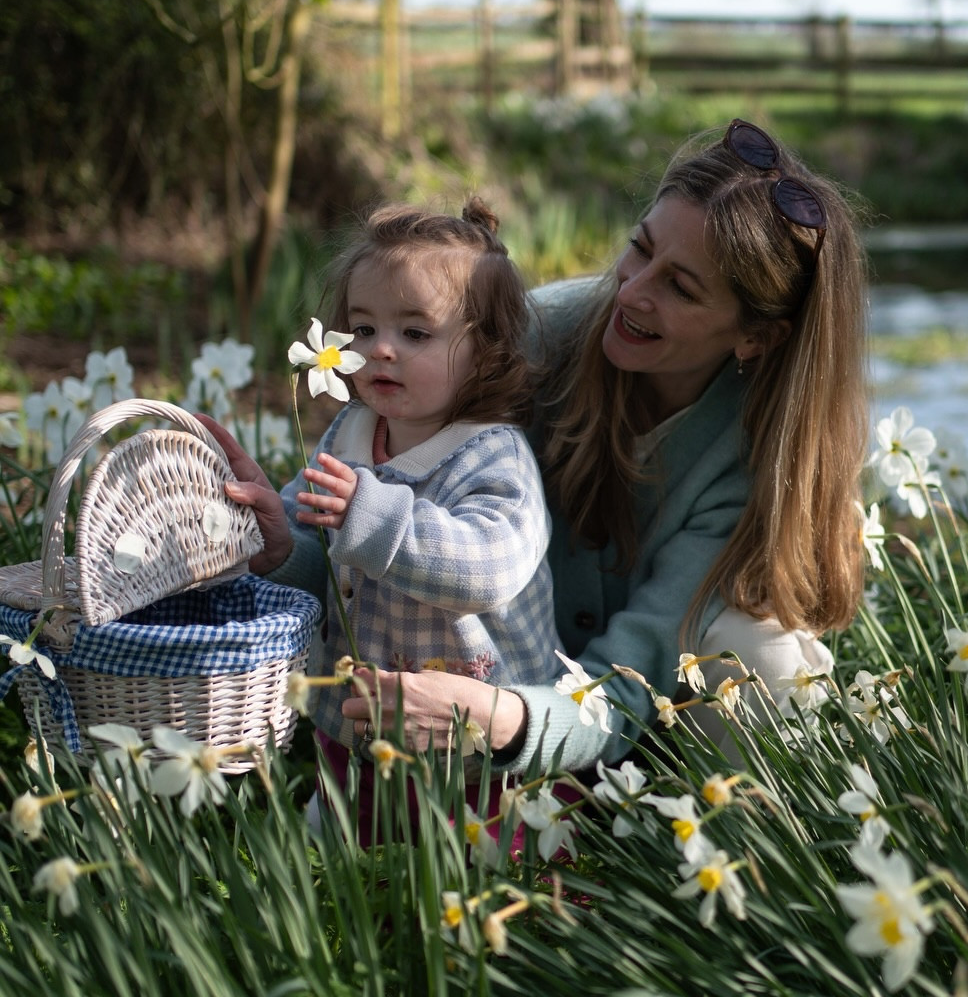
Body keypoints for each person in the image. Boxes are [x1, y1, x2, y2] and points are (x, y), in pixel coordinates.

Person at [225, 122, 868, 777]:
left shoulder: (751, 461)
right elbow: (362, 530)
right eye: (639, 249)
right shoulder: (524, 341)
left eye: (680, 286)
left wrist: (503, 720)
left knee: (762, 663)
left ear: (755, 336)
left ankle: (702, 838)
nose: (632, 290)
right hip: (487, 676)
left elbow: (625, 684)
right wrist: (283, 545)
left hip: (622, 702)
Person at [225, 197, 557, 771]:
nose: (379, 347)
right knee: (350, 826)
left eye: (415, 332)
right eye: (363, 327)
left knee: (466, 844)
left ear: (487, 352)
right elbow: (323, 554)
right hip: (356, 713)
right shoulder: (350, 431)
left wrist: (371, 517)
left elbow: (488, 570)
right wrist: (282, 545)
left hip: (462, 734)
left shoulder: (492, 455)